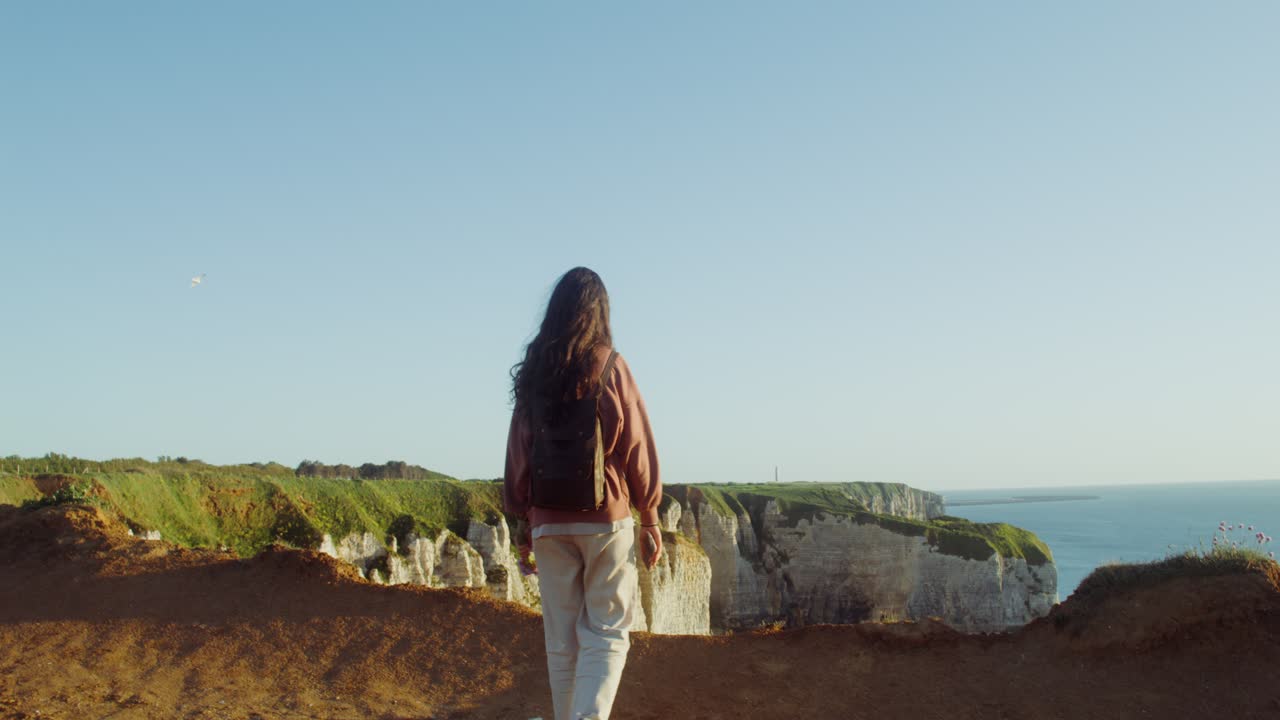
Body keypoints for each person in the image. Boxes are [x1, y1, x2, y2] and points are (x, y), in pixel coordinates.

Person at [504, 266, 662, 720]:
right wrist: (648, 514)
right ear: (599, 312)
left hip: (548, 524)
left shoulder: (535, 374)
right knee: (607, 634)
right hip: (606, 521)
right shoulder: (610, 365)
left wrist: (522, 522)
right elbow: (637, 444)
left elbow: (519, 450)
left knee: (563, 641)